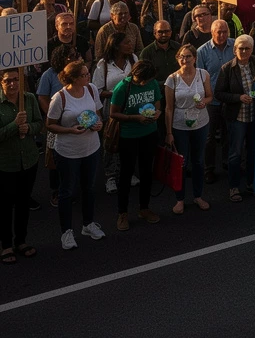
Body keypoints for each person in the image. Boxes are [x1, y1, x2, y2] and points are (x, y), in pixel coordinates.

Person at [47, 59, 105, 250]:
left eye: (88, 73)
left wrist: (98, 124)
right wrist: (70, 130)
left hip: (91, 148)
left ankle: (88, 224)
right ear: (73, 78)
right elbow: (50, 125)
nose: (88, 76)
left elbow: (98, 114)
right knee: (67, 191)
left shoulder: (91, 89)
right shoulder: (60, 98)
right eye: (84, 74)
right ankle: (66, 231)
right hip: (68, 152)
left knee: (89, 188)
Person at [109, 59, 162, 231]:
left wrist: (157, 112)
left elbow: (157, 103)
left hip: (149, 133)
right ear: (135, 75)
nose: (145, 83)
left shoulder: (153, 83)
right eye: (142, 80)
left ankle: (144, 208)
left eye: (147, 80)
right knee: (126, 173)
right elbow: (113, 113)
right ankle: (122, 213)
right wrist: (135, 118)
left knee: (147, 171)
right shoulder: (122, 87)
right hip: (129, 135)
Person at [0, 68, 43, 263]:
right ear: (1, 82)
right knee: (5, 205)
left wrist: (29, 128)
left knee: (23, 203)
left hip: (28, 161)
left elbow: (39, 123)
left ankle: (21, 241)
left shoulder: (29, 99)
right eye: (8, 80)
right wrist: (14, 125)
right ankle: (6, 245)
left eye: (16, 79)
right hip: (5, 164)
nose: (13, 84)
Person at [163, 44, 212, 214]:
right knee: (181, 163)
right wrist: (169, 132)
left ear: (195, 58)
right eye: (181, 57)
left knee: (198, 161)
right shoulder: (172, 79)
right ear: (178, 59)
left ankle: (198, 196)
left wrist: (204, 102)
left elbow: (210, 96)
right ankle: (180, 199)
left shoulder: (203, 74)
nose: (185, 60)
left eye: (188, 56)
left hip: (201, 122)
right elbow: (169, 108)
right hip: (180, 125)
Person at [215, 35, 255, 201]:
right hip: (236, 117)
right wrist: (238, 98)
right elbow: (219, 93)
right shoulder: (227, 68)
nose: (244, 51)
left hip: (254, 115)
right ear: (234, 50)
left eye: (247, 48)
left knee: (253, 151)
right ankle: (234, 187)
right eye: (240, 48)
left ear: (252, 50)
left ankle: (252, 183)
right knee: (235, 153)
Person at [197, 20, 234, 184]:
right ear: (212, 33)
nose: (222, 35)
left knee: (228, 133)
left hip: (230, 98)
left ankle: (227, 163)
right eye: (219, 32)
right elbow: (199, 77)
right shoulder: (202, 51)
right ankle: (209, 169)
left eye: (225, 31)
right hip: (211, 101)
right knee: (209, 137)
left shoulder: (235, 45)